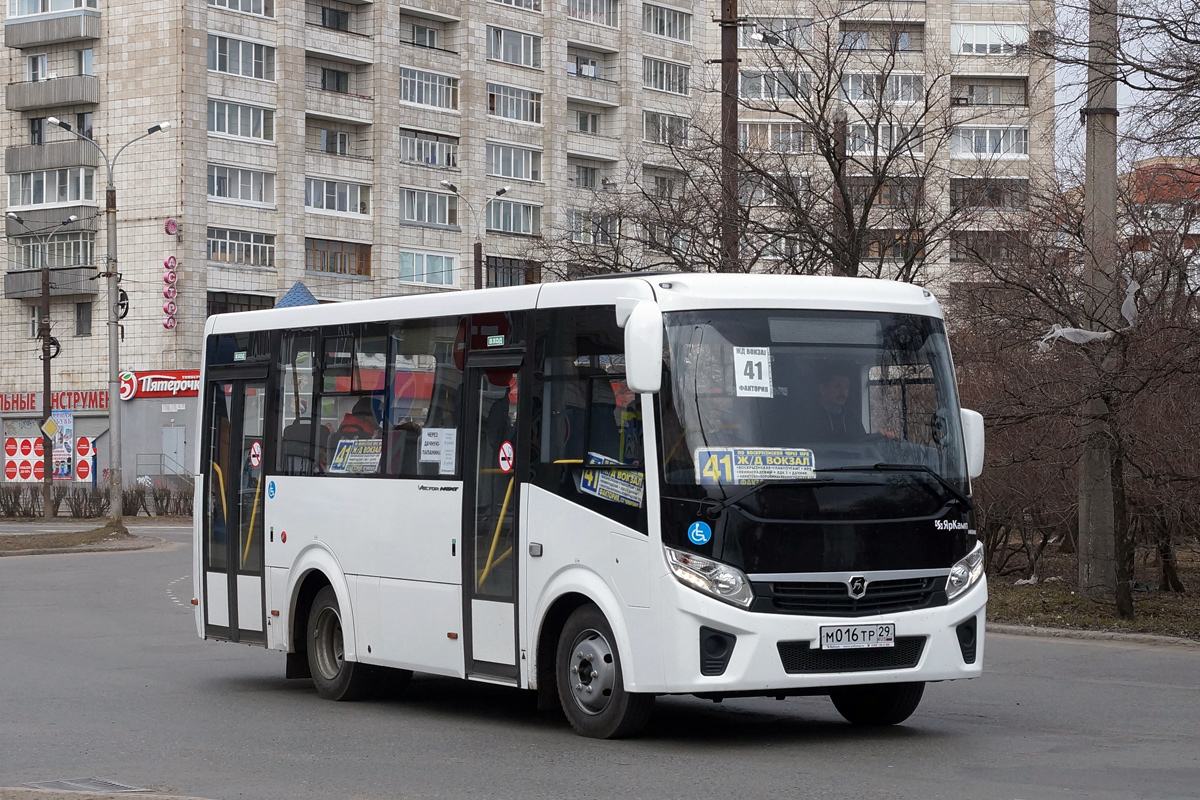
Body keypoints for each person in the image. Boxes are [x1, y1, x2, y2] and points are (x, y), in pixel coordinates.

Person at [812, 364, 867, 441]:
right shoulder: (809, 417)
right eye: (837, 387)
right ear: (823, 389)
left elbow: (863, 442)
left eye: (846, 387)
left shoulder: (852, 417)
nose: (843, 393)